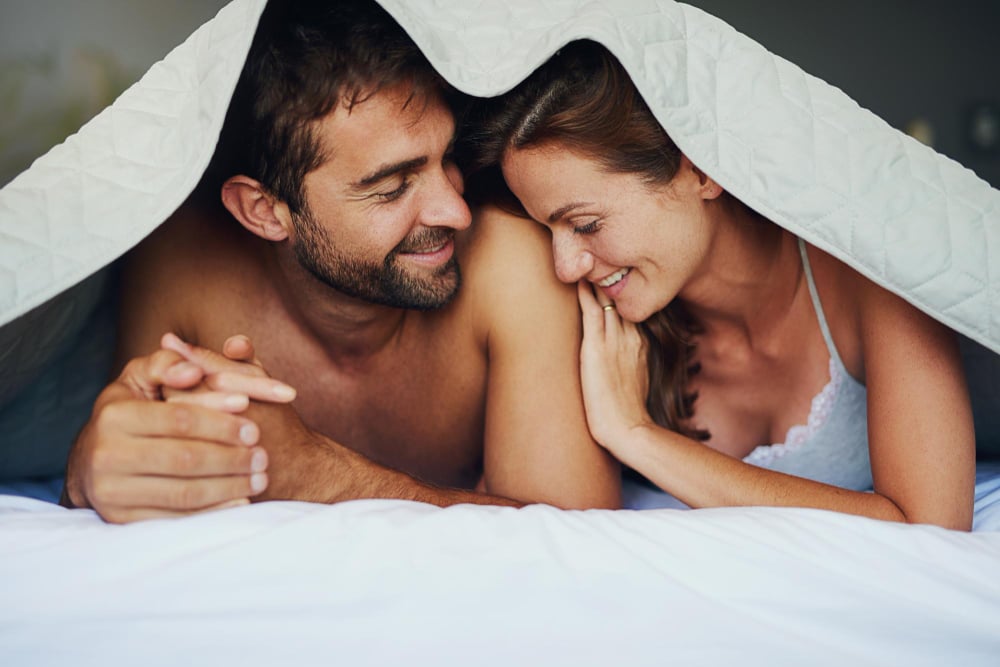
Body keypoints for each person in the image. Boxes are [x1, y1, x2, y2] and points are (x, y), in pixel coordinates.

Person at [61, 1, 619, 523]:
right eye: (393, 187)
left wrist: (318, 473)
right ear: (264, 211)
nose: (456, 211)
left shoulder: (509, 260)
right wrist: (90, 469)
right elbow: (130, 478)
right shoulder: (184, 264)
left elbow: (577, 536)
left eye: (447, 157)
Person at [462, 40, 975, 530]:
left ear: (701, 170)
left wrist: (638, 436)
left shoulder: (869, 271)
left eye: (586, 224)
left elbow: (930, 522)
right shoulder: (598, 327)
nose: (564, 267)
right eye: (547, 230)